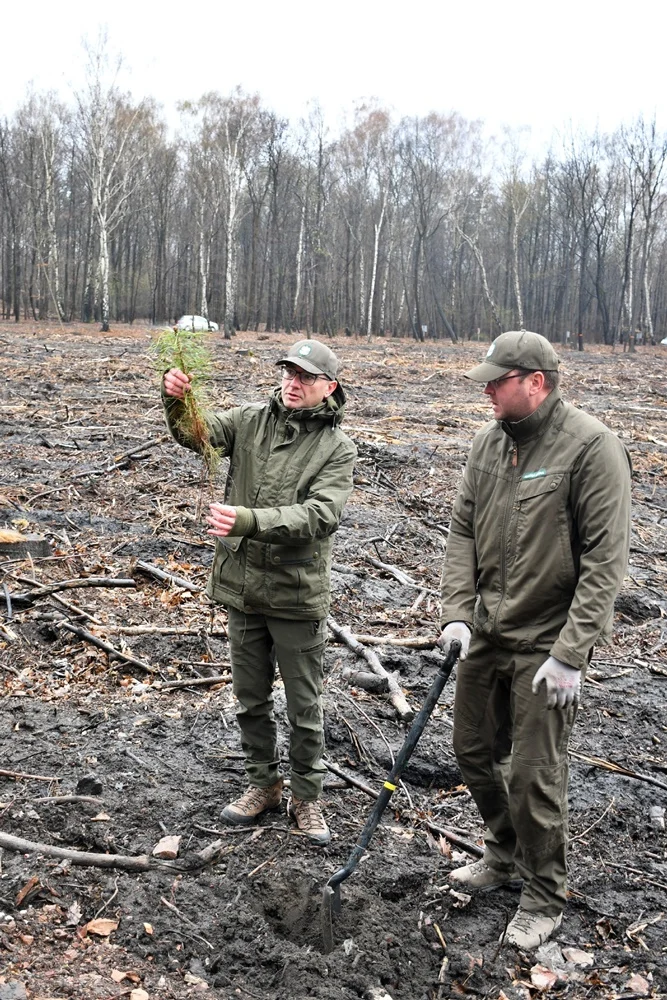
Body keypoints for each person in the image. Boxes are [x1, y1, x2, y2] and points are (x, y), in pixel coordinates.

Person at [438, 330, 631, 949]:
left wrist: (572, 655)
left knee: (533, 774)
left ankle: (544, 892)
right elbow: (463, 529)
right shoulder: (486, 445)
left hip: (547, 642)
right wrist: (457, 612)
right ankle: (503, 852)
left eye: (498, 380)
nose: (487, 390)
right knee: (471, 750)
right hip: (486, 633)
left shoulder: (591, 448)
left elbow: (606, 561)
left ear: (536, 383)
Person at [162, 340, 356, 846]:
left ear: (329, 387)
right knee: (250, 699)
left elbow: (322, 516)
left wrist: (248, 521)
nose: (294, 382)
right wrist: (179, 400)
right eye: (289, 372)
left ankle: (307, 797)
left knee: (303, 705)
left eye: (306, 377)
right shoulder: (250, 419)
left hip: (296, 595)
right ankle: (263, 785)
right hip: (243, 588)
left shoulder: (338, 448)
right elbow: (197, 437)